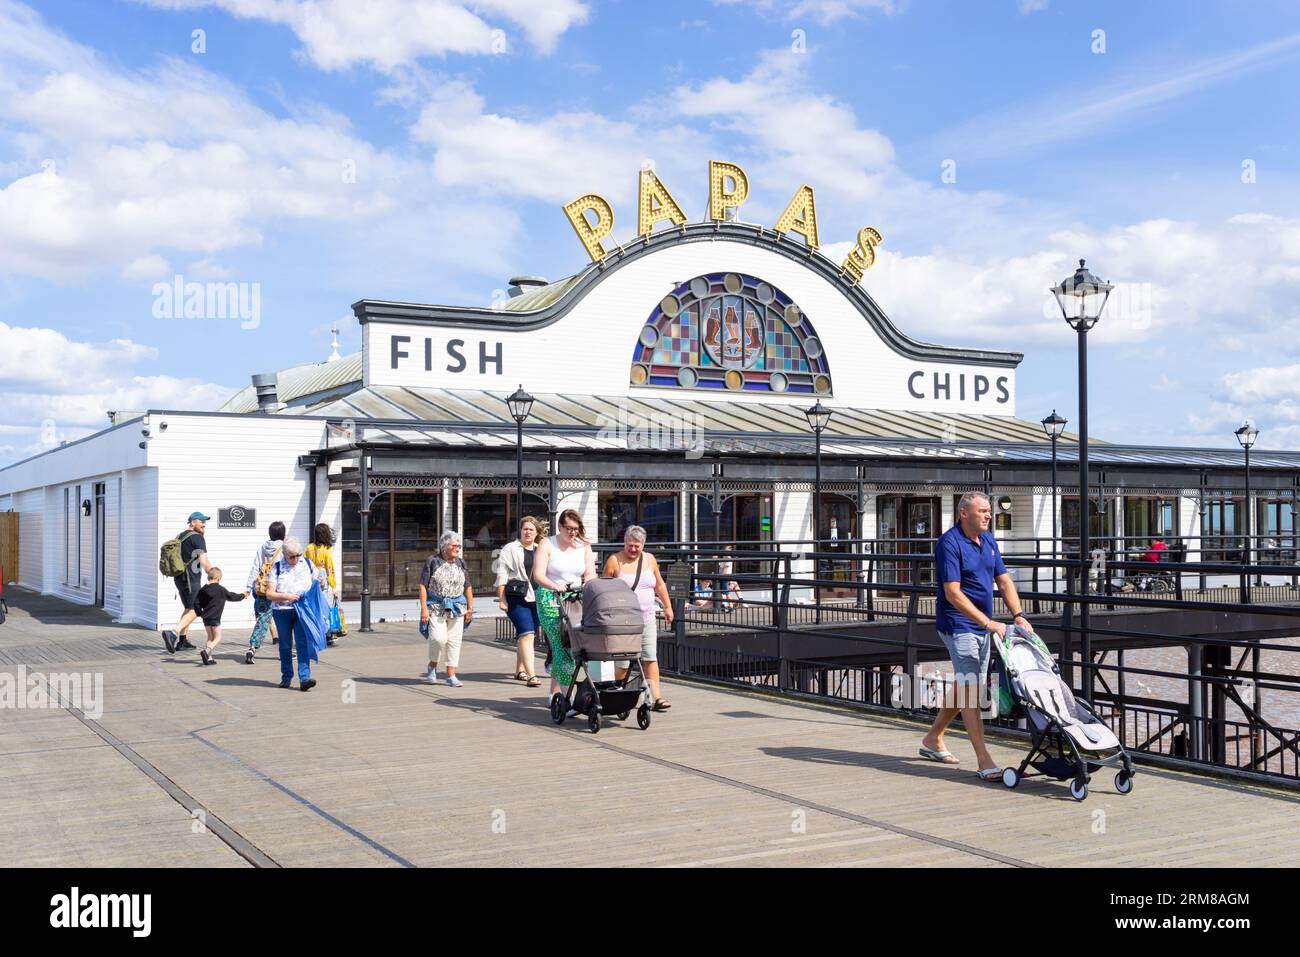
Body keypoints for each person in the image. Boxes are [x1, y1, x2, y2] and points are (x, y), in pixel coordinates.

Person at [919, 491, 1031, 781]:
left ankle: (933, 738)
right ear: (964, 513)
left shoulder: (989, 540)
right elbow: (952, 593)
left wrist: (1018, 614)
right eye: (982, 511)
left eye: (989, 511)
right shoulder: (949, 543)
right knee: (972, 688)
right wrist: (989, 622)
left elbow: (1004, 581)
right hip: (958, 624)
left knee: (967, 683)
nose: (988, 515)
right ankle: (983, 759)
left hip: (983, 624)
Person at [604, 526, 674, 711]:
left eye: (637, 546)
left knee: (650, 657)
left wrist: (668, 606)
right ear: (624, 543)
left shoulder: (650, 559)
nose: (633, 549)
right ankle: (617, 692)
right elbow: (603, 590)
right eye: (630, 545)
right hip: (623, 621)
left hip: (647, 617)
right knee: (623, 662)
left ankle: (654, 697)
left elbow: (659, 585)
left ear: (643, 545)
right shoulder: (614, 561)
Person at [533, 508, 597, 705]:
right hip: (550, 597)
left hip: (575, 598)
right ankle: (567, 697)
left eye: (575, 529)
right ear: (560, 526)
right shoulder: (547, 544)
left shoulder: (584, 546)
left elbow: (590, 573)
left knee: (573, 645)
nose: (572, 533)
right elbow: (538, 574)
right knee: (562, 646)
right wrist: (555, 585)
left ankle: (555, 695)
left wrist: (588, 583)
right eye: (568, 528)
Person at [264, 538, 328, 691]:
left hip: (303, 610)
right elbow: (269, 594)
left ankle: (304, 678)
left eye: (298, 555)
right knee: (285, 645)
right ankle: (286, 677)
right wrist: (287, 596)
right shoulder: (277, 567)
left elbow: (319, 583)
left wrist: (320, 584)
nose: (296, 559)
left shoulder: (307, 564)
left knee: (302, 643)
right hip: (282, 611)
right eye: (291, 556)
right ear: (284, 555)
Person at [419, 531, 474, 687]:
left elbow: (467, 586)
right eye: (455, 545)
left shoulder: (461, 563)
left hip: (457, 607)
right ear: (444, 547)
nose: (458, 548)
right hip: (436, 606)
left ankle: (451, 675)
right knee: (438, 638)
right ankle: (432, 665)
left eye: (459, 546)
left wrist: (470, 607)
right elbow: (423, 585)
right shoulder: (432, 561)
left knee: (454, 641)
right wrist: (423, 608)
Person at [495, 516, 543, 687]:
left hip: (537, 597)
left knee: (528, 635)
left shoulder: (540, 549)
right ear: (520, 531)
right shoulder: (510, 548)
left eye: (531, 529)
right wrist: (502, 599)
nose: (528, 532)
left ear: (537, 532)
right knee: (527, 634)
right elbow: (502, 575)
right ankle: (531, 675)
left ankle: (519, 670)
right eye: (525, 529)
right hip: (517, 598)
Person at [162, 511, 212, 654]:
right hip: (192, 579)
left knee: (189, 608)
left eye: (205, 521)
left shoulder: (180, 536)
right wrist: (214, 576)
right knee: (197, 609)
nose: (204, 524)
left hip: (179, 578)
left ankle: (182, 641)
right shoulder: (197, 537)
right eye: (201, 521)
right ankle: (173, 633)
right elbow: (204, 561)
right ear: (192, 522)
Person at [244, 521, 285, 664]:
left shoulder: (263, 547)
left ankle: (252, 648)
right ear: (283, 533)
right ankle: (284, 651)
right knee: (283, 621)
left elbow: (255, 567)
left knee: (262, 619)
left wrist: (248, 587)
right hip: (279, 591)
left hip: (261, 589)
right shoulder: (283, 548)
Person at [193, 567, 247, 665]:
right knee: (217, 638)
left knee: (210, 637)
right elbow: (232, 596)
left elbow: (196, 602)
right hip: (215, 618)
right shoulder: (220, 590)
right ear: (218, 578)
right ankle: (206, 651)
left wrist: (199, 613)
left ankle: (209, 658)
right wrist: (243, 595)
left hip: (206, 618)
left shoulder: (203, 589)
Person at [304, 523, 340, 645]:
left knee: (314, 606)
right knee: (326, 607)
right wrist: (334, 586)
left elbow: (304, 563)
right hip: (323, 578)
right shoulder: (327, 550)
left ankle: (315, 633)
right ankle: (328, 634)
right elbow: (330, 569)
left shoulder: (309, 548)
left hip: (311, 579)